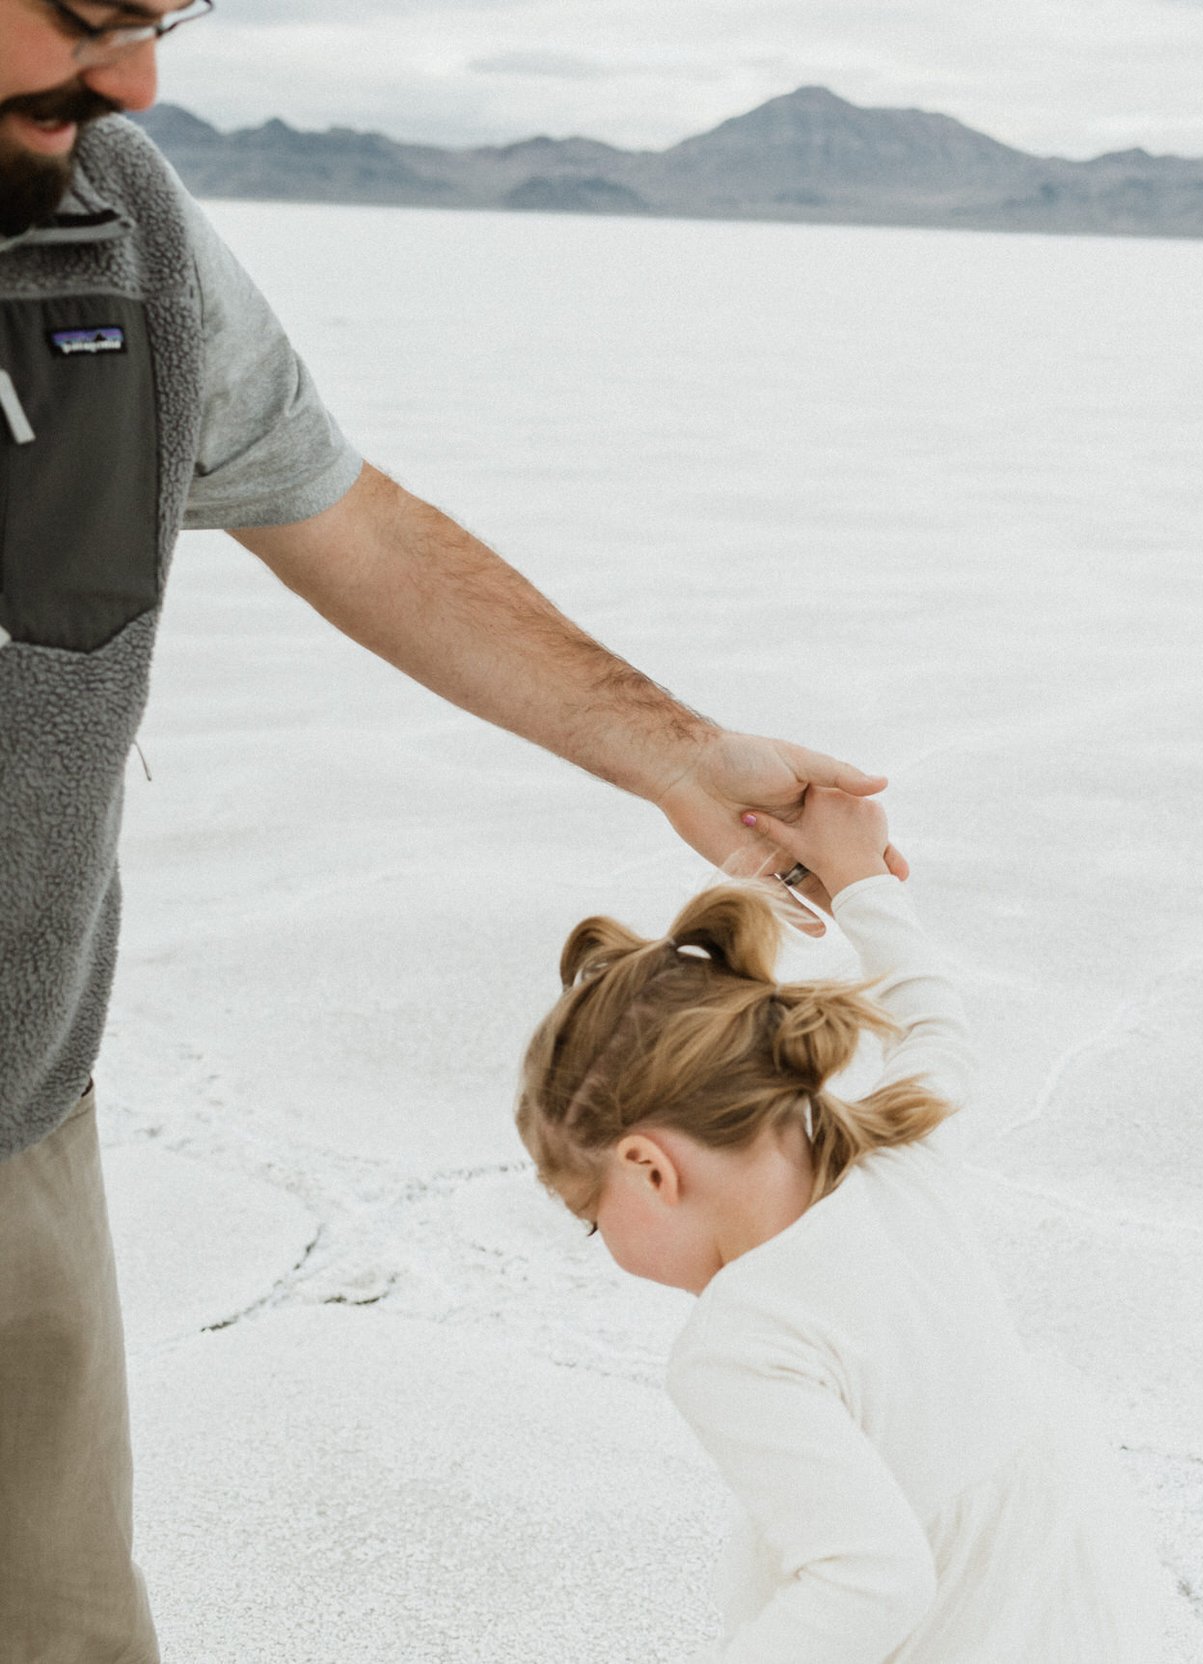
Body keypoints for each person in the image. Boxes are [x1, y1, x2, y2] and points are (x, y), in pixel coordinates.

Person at [0, 6, 897, 1659]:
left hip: (13, 1117)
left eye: (153, 24)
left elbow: (345, 516)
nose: (133, 83)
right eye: (82, 15)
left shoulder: (115, 226)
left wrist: (679, 751)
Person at [515, 787, 1174, 1663]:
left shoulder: (738, 1344)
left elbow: (870, 1581)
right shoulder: (901, 1156)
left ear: (649, 1169)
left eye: (593, 1219)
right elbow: (935, 1024)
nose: (602, 1244)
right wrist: (862, 878)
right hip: (1058, 1586)